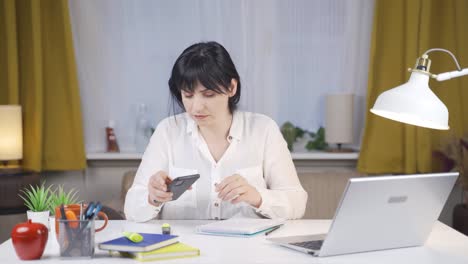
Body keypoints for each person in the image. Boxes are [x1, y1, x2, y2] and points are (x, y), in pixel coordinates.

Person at [125, 41, 307, 222]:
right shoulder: (168, 131)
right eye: (188, 95)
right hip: (183, 248)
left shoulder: (263, 129)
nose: (196, 107)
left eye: (208, 95)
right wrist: (152, 197)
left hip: (249, 249)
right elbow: (132, 210)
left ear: (231, 87)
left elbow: (297, 204)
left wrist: (257, 196)